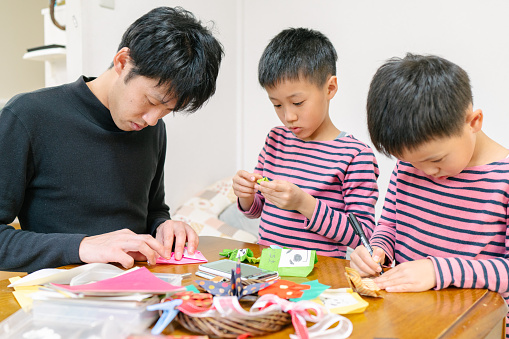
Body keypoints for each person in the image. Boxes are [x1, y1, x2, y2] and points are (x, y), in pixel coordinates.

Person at [0, 6, 224, 272]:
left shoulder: (152, 127)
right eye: (151, 101)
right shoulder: (28, 116)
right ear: (122, 62)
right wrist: (83, 247)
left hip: (142, 290)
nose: (152, 120)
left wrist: (165, 225)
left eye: (167, 111)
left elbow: (153, 209)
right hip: (62, 296)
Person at [350, 53, 509, 335]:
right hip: (411, 319)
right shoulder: (409, 167)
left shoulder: (503, 179)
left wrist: (438, 271)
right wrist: (377, 251)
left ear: (473, 121)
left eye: (436, 160)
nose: (427, 172)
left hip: (476, 328)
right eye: (412, 162)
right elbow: (389, 225)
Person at [232, 28, 379, 258]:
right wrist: (246, 194)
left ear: (329, 88)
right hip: (269, 269)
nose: (288, 116)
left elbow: (363, 235)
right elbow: (256, 209)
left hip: (322, 275)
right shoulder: (275, 141)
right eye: (277, 105)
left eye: (298, 102)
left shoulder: (355, 155)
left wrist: (304, 203)